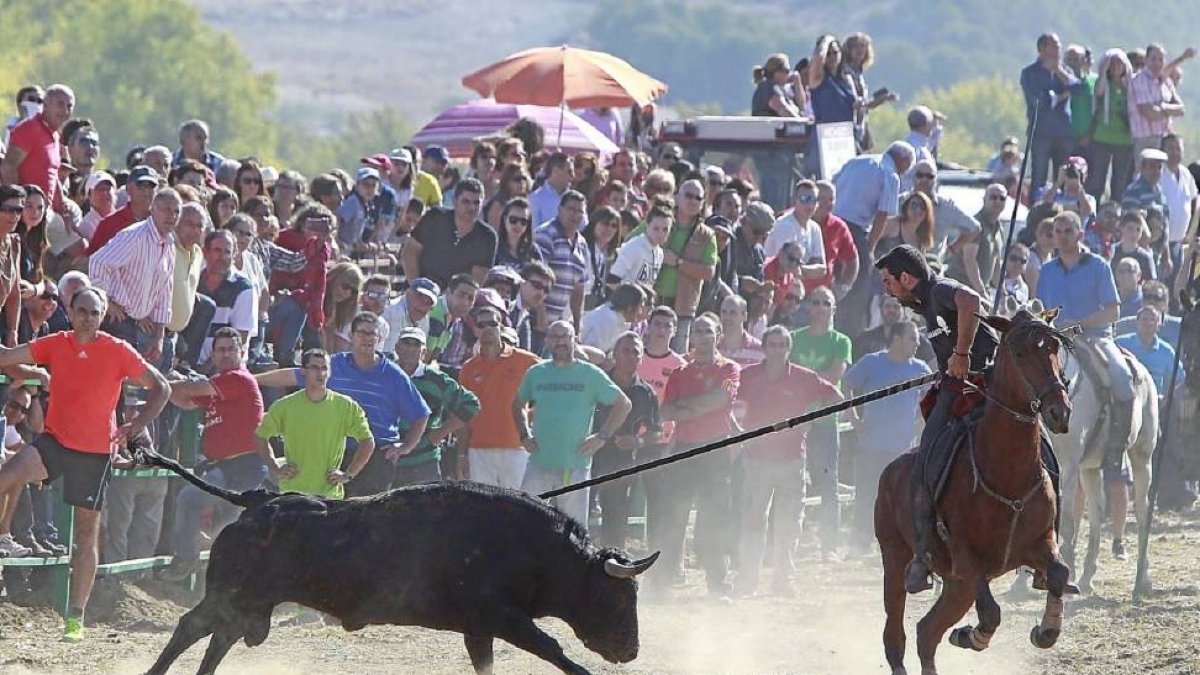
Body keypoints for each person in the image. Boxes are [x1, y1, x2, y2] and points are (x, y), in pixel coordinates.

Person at [0, 287, 170, 641]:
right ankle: (4, 536)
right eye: (82, 311)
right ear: (70, 311)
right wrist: (33, 374)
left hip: (95, 453)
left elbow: (163, 387)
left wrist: (135, 426)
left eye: (94, 312)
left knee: (86, 533)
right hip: (55, 441)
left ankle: (75, 617)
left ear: (104, 314)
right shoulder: (56, 342)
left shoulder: (118, 350)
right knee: (8, 474)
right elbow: (6, 357)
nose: (87, 318)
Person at [874, 244, 998, 593]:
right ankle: (926, 551)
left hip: (985, 383)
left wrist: (960, 353)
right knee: (926, 457)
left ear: (907, 278)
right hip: (957, 385)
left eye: (889, 282)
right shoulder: (923, 305)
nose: (887, 289)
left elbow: (972, 300)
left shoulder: (939, 290)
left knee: (927, 455)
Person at [256, 314, 430, 497]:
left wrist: (405, 447)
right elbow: (292, 375)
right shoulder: (334, 364)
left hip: (378, 457)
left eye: (372, 334)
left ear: (379, 339)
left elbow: (421, 414)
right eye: (362, 333)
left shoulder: (394, 375)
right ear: (352, 336)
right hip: (339, 454)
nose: (367, 338)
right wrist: (251, 380)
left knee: (369, 518)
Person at [736, 325, 840, 595]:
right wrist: (738, 430)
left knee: (789, 524)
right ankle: (748, 581)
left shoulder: (803, 378)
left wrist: (811, 418)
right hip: (756, 459)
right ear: (764, 347)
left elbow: (835, 397)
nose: (777, 350)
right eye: (772, 344)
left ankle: (782, 581)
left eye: (782, 345)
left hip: (792, 460)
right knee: (752, 521)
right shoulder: (747, 376)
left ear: (789, 349)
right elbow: (729, 402)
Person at [161, 328, 266, 581]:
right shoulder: (219, 387)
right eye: (220, 350)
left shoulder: (238, 378)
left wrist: (161, 382)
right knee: (228, 535)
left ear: (242, 352)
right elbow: (186, 400)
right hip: (228, 467)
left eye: (231, 349)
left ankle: (185, 559)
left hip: (241, 466)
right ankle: (228, 590)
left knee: (188, 499)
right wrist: (169, 385)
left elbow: (191, 389)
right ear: (213, 354)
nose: (226, 354)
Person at [653, 313, 739, 598]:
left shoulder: (729, 370)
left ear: (718, 336)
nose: (701, 337)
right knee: (674, 518)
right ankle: (663, 584)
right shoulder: (679, 373)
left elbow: (721, 399)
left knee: (714, 520)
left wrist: (687, 408)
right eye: (697, 332)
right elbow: (666, 411)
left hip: (715, 450)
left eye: (707, 332)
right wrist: (700, 406)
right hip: (684, 449)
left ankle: (718, 586)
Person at [513, 320, 631, 527]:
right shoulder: (536, 373)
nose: (560, 342)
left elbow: (623, 404)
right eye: (555, 337)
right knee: (525, 522)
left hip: (575, 465)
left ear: (574, 340)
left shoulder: (590, 374)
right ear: (547, 341)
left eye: (565, 337)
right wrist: (524, 434)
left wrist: (602, 436)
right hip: (539, 462)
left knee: (574, 530)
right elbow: (517, 404)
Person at [842, 320, 932, 554]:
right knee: (867, 495)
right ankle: (859, 544)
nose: (917, 343)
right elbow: (848, 383)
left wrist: (919, 424)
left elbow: (931, 400)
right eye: (912, 338)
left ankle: (900, 545)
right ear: (897, 339)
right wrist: (853, 418)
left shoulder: (921, 369)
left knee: (904, 499)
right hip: (870, 446)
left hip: (903, 449)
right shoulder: (872, 363)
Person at [255, 348, 374, 499]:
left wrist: (348, 475)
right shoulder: (285, 406)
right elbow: (260, 436)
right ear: (303, 371)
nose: (321, 373)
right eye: (315, 368)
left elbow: (368, 441)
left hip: (329, 497)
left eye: (325, 368)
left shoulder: (346, 406)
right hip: (292, 494)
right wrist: (275, 467)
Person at [88, 187, 182, 367]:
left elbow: (165, 291)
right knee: (118, 381)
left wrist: (159, 335)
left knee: (143, 383)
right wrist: (106, 303)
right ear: (153, 209)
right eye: (166, 209)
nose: (171, 215)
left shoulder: (169, 244)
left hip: (142, 324)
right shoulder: (135, 236)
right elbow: (97, 262)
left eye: (176, 211)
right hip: (117, 321)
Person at [832, 141, 914, 336]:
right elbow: (883, 214)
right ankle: (848, 334)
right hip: (856, 230)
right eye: (907, 166)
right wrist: (869, 248)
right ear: (902, 161)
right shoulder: (890, 175)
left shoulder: (857, 161)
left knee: (834, 278)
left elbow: (834, 185)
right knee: (858, 288)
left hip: (834, 225)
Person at [591, 332, 661, 548]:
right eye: (626, 351)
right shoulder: (597, 382)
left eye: (636, 352)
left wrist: (637, 442)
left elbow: (656, 432)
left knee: (615, 520)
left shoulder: (646, 393)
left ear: (641, 358)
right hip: (587, 457)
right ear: (614, 354)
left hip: (621, 462)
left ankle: (612, 567)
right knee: (578, 514)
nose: (631, 356)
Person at [459, 305, 541, 487]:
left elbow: (548, 391)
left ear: (501, 327)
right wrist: (462, 455)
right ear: (475, 330)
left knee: (515, 507)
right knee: (484, 509)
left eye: (492, 323)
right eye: (482, 324)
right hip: (479, 449)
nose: (487, 328)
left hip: (516, 448)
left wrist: (532, 416)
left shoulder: (527, 361)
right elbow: (463, 416)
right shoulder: (468, 368)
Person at [389, 327, 480, 486]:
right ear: (397, 347)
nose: (411, 349)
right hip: (387, 461)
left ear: (423, 351)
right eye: (406, 343)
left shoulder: (436, 379)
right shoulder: (385, 374)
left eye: (416, 345)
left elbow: (471, 404)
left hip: (424, 462)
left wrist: (441, 432)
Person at [402, 178, 496, 288]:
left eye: (476, 203)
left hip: (455, 299)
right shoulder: (435, 217)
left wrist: (450, 301)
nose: (471, 207)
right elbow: (410, 252)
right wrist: (416, 286)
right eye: (466, 201)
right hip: (419, 289)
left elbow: (476, 280)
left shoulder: (487, 236)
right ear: (455, 201)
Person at [1, 84, 73, 213]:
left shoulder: (55, 135)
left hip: (44, 211)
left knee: (73, 229)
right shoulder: (30, 128)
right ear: (45, 104)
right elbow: (8, 166)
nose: (65, 111)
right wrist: (16, 206)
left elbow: (52, 173)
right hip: (27, 212)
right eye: (60, 104)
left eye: (69, 106)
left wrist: (61, 204)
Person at [1020, 33, 1076, 194]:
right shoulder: (1029, 73)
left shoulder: (1065, 71)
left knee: (1064, 177)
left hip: (1064, 132)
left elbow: (1078, 89)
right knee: (1039, 177)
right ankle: (1037, 211)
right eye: (1054, 46)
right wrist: (1061, 96)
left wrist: (1058, 72)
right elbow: (1039, 100)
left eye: (1059, 46)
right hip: (1041, 133)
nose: (1058, 50)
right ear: (1042, 49)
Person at [533, 190, 592, 330]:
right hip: (535, 320)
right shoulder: (546, 235)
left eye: (580, 211)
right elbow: (536, 279)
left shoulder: (582, 244)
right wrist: (541, 317)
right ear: (560, 210)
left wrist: (577, 325)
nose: (575, 215)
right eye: (571, 209)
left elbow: (579, 289)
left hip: (558, 324)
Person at [853, 293, 936, 364]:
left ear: (903, 311)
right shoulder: (866, 338)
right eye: (887, 306)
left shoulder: (916, 338)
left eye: (896, 307)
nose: (891, 310)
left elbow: (932, 361)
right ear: (881, 310)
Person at [1116, 305, 1175, 394]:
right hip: (1125, 400)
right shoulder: (1120, 344)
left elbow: (1181, 380)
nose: (1148, 323)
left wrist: (1167, 398)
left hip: (1155, 403)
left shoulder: (1167, 351)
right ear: (1137, 323)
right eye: (1144, 319)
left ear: (1159, 325)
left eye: (1153, 320)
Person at [579, 283, 645, 353]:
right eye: (640, 307)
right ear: (630, 308)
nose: (640, 312)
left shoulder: (621, 320)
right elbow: (591, 353)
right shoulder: (608, 319)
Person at [380, 277, 439, 354]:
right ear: (408, 293)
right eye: (420, 297)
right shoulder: (389, 311)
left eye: (429, 302)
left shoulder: (424, 319)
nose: (423, 305)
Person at [751, 53, 802, 118]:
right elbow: (785, 112)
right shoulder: (769, 88)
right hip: (768, 128)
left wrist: (797, 83)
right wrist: (802, 123)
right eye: (787, 71)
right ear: (777, 72)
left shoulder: (778, 89)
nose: (789, 75)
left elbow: (801, 106)